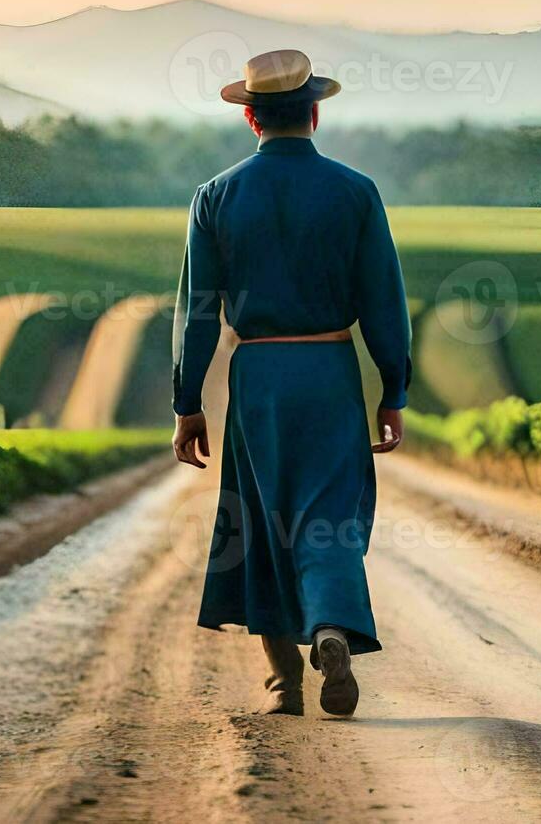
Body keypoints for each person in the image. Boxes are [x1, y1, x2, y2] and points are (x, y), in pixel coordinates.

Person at [171, 49, 412, 718]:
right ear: (313, 113)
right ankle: (331, 627)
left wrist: (187, 403)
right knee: (328, 518)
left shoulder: (215, 197)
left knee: (262, 520)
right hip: (332, 374)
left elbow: (197, 311)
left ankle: (284, 684)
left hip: (258, 382)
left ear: (250, 118)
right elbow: (383, 301)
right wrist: (393, 389)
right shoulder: (356, 192)